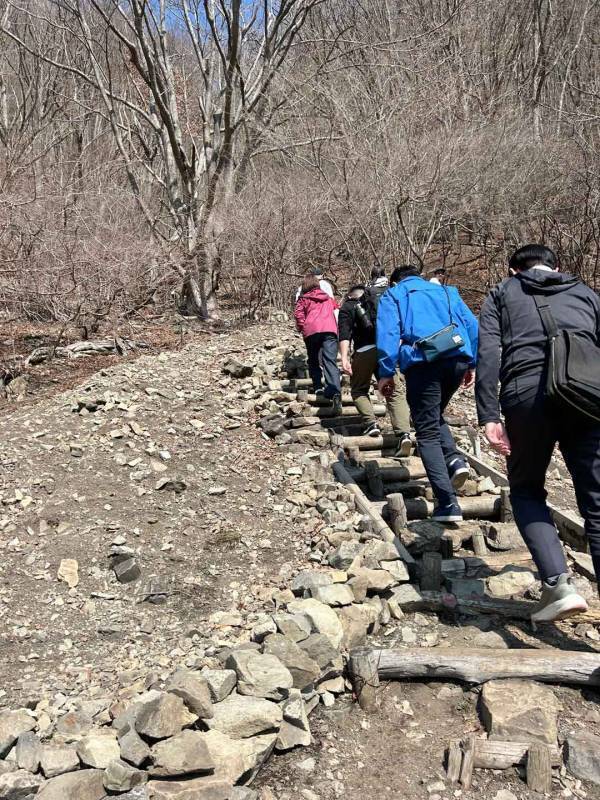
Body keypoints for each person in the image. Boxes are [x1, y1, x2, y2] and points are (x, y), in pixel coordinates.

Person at [476, 243, 600, 622]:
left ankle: (558, 585)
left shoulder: (502, 292)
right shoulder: (585, 292)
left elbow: (489, 352)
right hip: (586, 396)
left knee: (527, 489)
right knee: (597, 502)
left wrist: (489, 414)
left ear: (513, 269)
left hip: (525, 395)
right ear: (556, 266)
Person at [377, 265, 478, 522]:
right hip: (457, 359)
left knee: (427, 430)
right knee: (433, 415)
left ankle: (447, 503)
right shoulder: (445, 291)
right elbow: (473, 326)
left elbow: (388, 333)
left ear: (395, 281)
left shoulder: (395, 295)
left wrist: (386, 371)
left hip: (424, 363)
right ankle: (455, 461)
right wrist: (473, 363)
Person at [338, 268, 412, 456]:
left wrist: (345, 358)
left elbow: (344, 335)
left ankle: (370, 423)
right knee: (395, 392)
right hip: (386, 349)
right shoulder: (386, 298)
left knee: (359, 389)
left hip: (363, 351)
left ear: (350, 295)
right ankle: (403, 434)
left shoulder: (348, 307)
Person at [294, 273, 342, 414]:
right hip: (329, 330)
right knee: (330, 361)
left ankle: (317, 386)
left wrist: (302, 327)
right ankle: (334, 390)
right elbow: (336, 311)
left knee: (314, 360)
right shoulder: (327, 298)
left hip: (311, 331)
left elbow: (298, 315)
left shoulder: (303, 299)